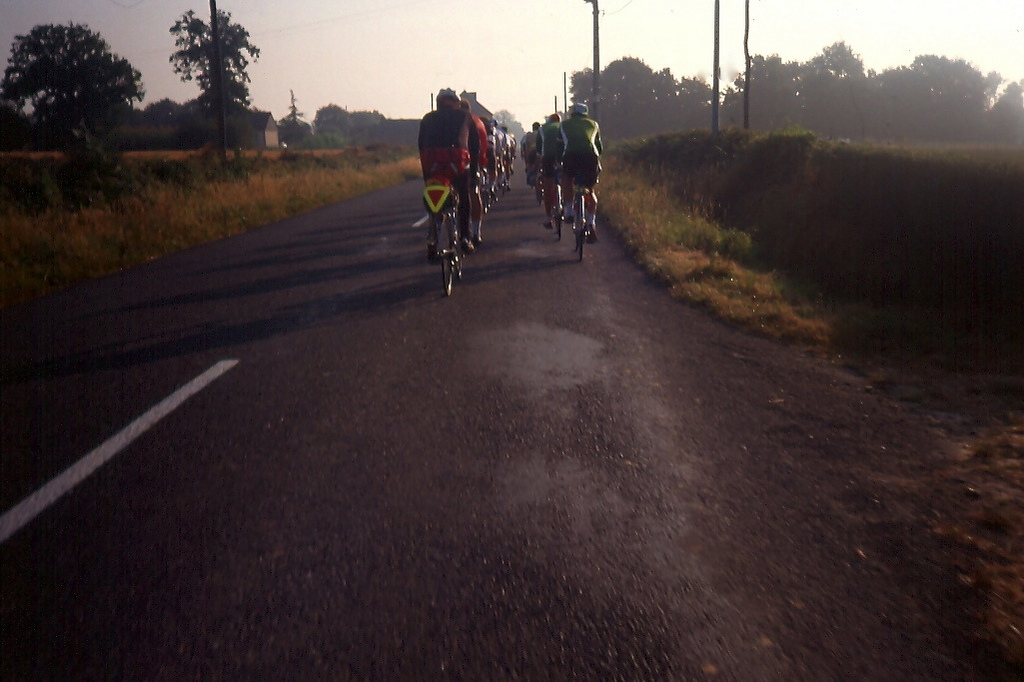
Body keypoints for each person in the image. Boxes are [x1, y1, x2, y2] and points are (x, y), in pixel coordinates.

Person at [418, 88, 481, 258]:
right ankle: (465, 237)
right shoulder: (466, 117)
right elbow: (475, 147)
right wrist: (474, 173)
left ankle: (433, 233)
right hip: (457, 163)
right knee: (464, 195)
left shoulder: (427, 118)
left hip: (433, 164)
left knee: (434, 196)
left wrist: (426, 176)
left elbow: (421, 147)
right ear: (456, 103)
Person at [559, 102, 603, 241]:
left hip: (571, 156)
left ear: (572, 114)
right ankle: (591, 223)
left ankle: (568, 210)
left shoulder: (564, 125)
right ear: (586, 114)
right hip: (590, 157)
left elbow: (560, 145)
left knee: (567, 178)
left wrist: (559, 160)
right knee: (590, 190)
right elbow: (599, 147)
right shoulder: (594, 124)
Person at [460, 98, 489, 246]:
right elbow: (483, 146)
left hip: (461, 162)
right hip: (474, 162)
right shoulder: (478, 122)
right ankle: (476, 232)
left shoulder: (464, 122)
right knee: (473, 193)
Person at [535, 113, 563, 229]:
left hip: (548, 158)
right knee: (567, 181)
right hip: (563, 157)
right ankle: (568, 207)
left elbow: (539, 152)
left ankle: (548, 218)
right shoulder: (563, 126)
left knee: (548, 187)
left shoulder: (542, 129)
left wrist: (538, 169)